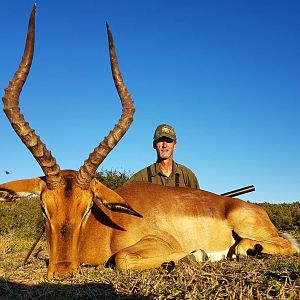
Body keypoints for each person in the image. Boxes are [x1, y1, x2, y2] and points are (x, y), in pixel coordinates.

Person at [129, 124, 200, 189]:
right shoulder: (140, 178)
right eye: (160, 140)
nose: (164, 145)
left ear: (175, 145)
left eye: (168, 141)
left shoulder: (188, 176)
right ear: (154, 144)